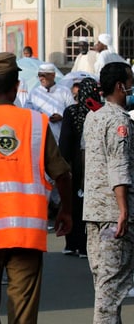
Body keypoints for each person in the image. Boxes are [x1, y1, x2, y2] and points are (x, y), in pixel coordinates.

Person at [0, 52, 73, 324]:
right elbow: (62, 174)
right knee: (23, 314)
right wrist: (66, 211)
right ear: (17, 84)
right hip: (27, 233)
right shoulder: (36, 123)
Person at [83, 61, 134, 323]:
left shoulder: (93, 117)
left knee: (104, 285)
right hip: (114, 214)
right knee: (110, 290)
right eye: (130, 82)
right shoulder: (118, 121)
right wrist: (123, 208)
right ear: (119, 86)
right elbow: (119, 165)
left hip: (93, 210)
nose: (131, 87)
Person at [59, 77, 102, 259]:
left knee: (73, 204)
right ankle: (86, 246)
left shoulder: (71, 112)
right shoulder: (100, 112)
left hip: (75, 166)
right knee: (91, 205)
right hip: (95, 166)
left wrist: (64, 164)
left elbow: (65, 140)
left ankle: (72, 243)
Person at [26, 62, 75, 143]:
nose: (41, 78)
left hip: (61, 137)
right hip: (40, 137)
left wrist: (62, 117)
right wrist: (40, 117)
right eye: (39, 75)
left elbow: (72, 112)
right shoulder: (34, 93)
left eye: (43, 75)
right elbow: (27, 113)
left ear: (52, 75)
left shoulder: (64, 91)